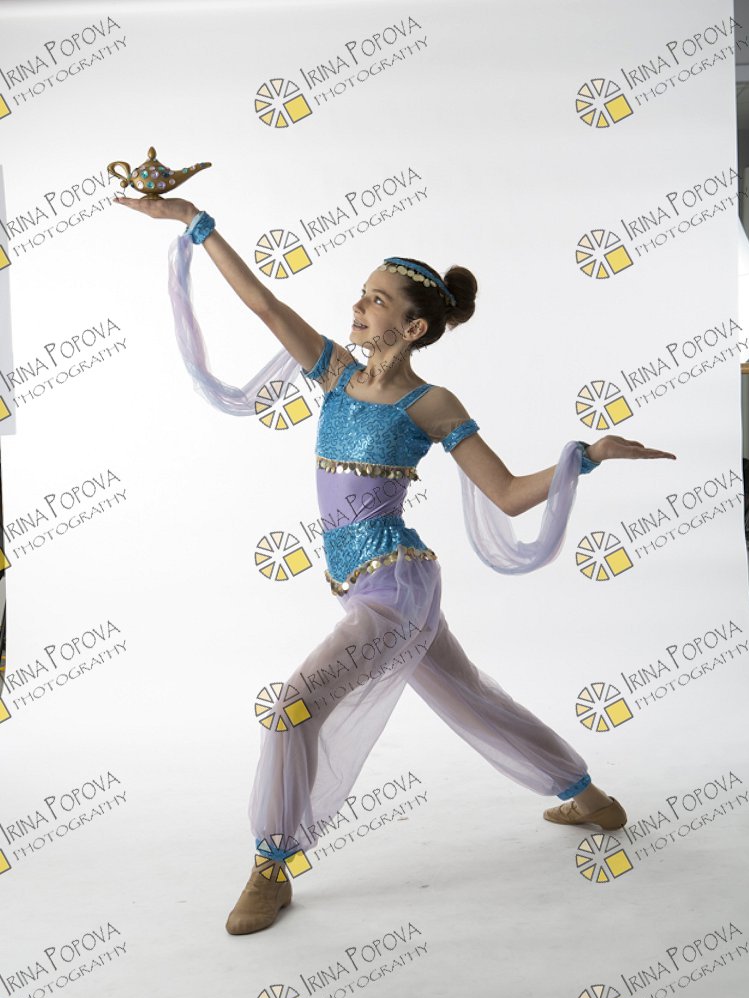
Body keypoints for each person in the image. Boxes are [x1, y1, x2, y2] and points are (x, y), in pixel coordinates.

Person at [114, 194, 676, 936]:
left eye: (376, 300)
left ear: (412, 328)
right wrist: (195, 222)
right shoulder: (334, 372)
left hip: (396, 589)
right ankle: (589, 796)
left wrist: (587, 457)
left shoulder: (430, 403)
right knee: (472, 697)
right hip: (368, 587)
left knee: (291, 708)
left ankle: (271, 864)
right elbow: (264, 304)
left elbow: (507, 493)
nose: (358, 305)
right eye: (362, 292)